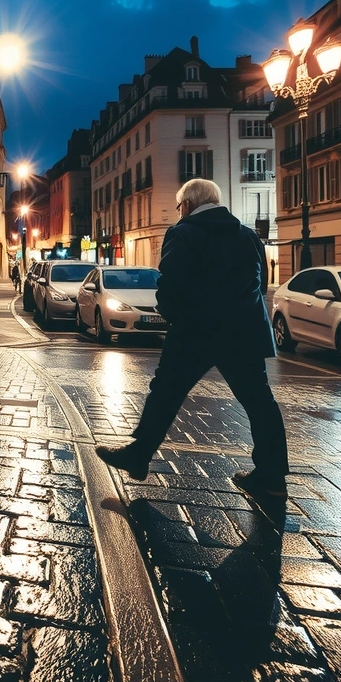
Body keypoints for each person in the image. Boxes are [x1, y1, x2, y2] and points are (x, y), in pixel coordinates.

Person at [94, 178, 289, 499]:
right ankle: (272, 478)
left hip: (195, 331)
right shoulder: (248, 236)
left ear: (188, 204)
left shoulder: (182, 232)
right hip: (243, 331)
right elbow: (262, 284)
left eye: (179, 206)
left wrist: (174, 318)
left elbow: (169, 285)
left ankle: (139, 455)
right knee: (259, 402)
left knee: (166, 393)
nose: (179, 211)